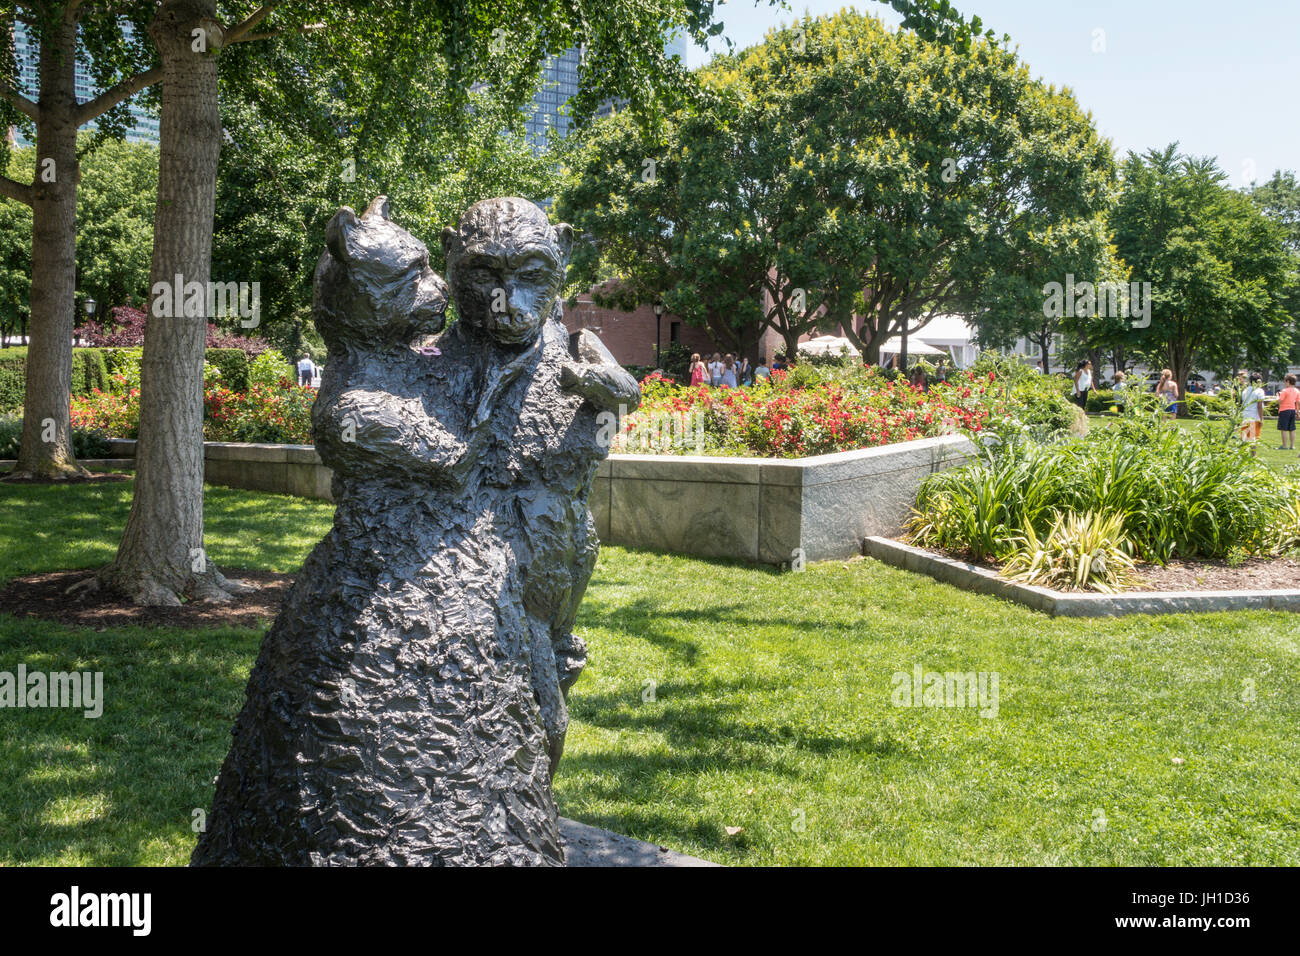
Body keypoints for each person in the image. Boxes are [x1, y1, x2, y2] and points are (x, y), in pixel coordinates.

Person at [1277, 373, 1299, 451]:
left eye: (1285, 381)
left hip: (1284, 410)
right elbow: (1297, 402)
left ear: (1288, 381)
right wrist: (1297, 411)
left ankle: (1285, 446)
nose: (1284, 383)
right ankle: (1292, 446)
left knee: (1284, 429)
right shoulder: (1297, 391)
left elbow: (1280, 401)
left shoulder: (1285, 390)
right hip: (1292, 410)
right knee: (1292, 429)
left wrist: (1278, 397)